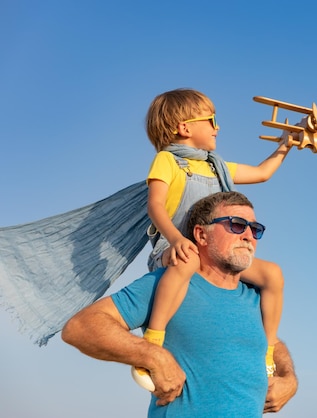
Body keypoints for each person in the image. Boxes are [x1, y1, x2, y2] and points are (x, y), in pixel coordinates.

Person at [62, 191, 298, 417]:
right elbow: (81, 327)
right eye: (236, 224)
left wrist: (289, 379)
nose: (248, 236)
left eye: (255, 229)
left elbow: (272, 342)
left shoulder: (256, 296)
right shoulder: (170, 284)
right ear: (201, 235)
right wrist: (153, 356)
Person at [138, 88, 292, 387]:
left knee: (273, 274)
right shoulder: (167, 161)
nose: (217, 126)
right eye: (211, 119)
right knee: (188, 260)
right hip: (175, 247)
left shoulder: (215, 166)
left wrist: (286, 145)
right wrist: (175, 239)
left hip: (213, 252)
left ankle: (268, 349)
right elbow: (155, 205)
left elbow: (262, 173)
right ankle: (153, 341)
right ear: (185, 128)